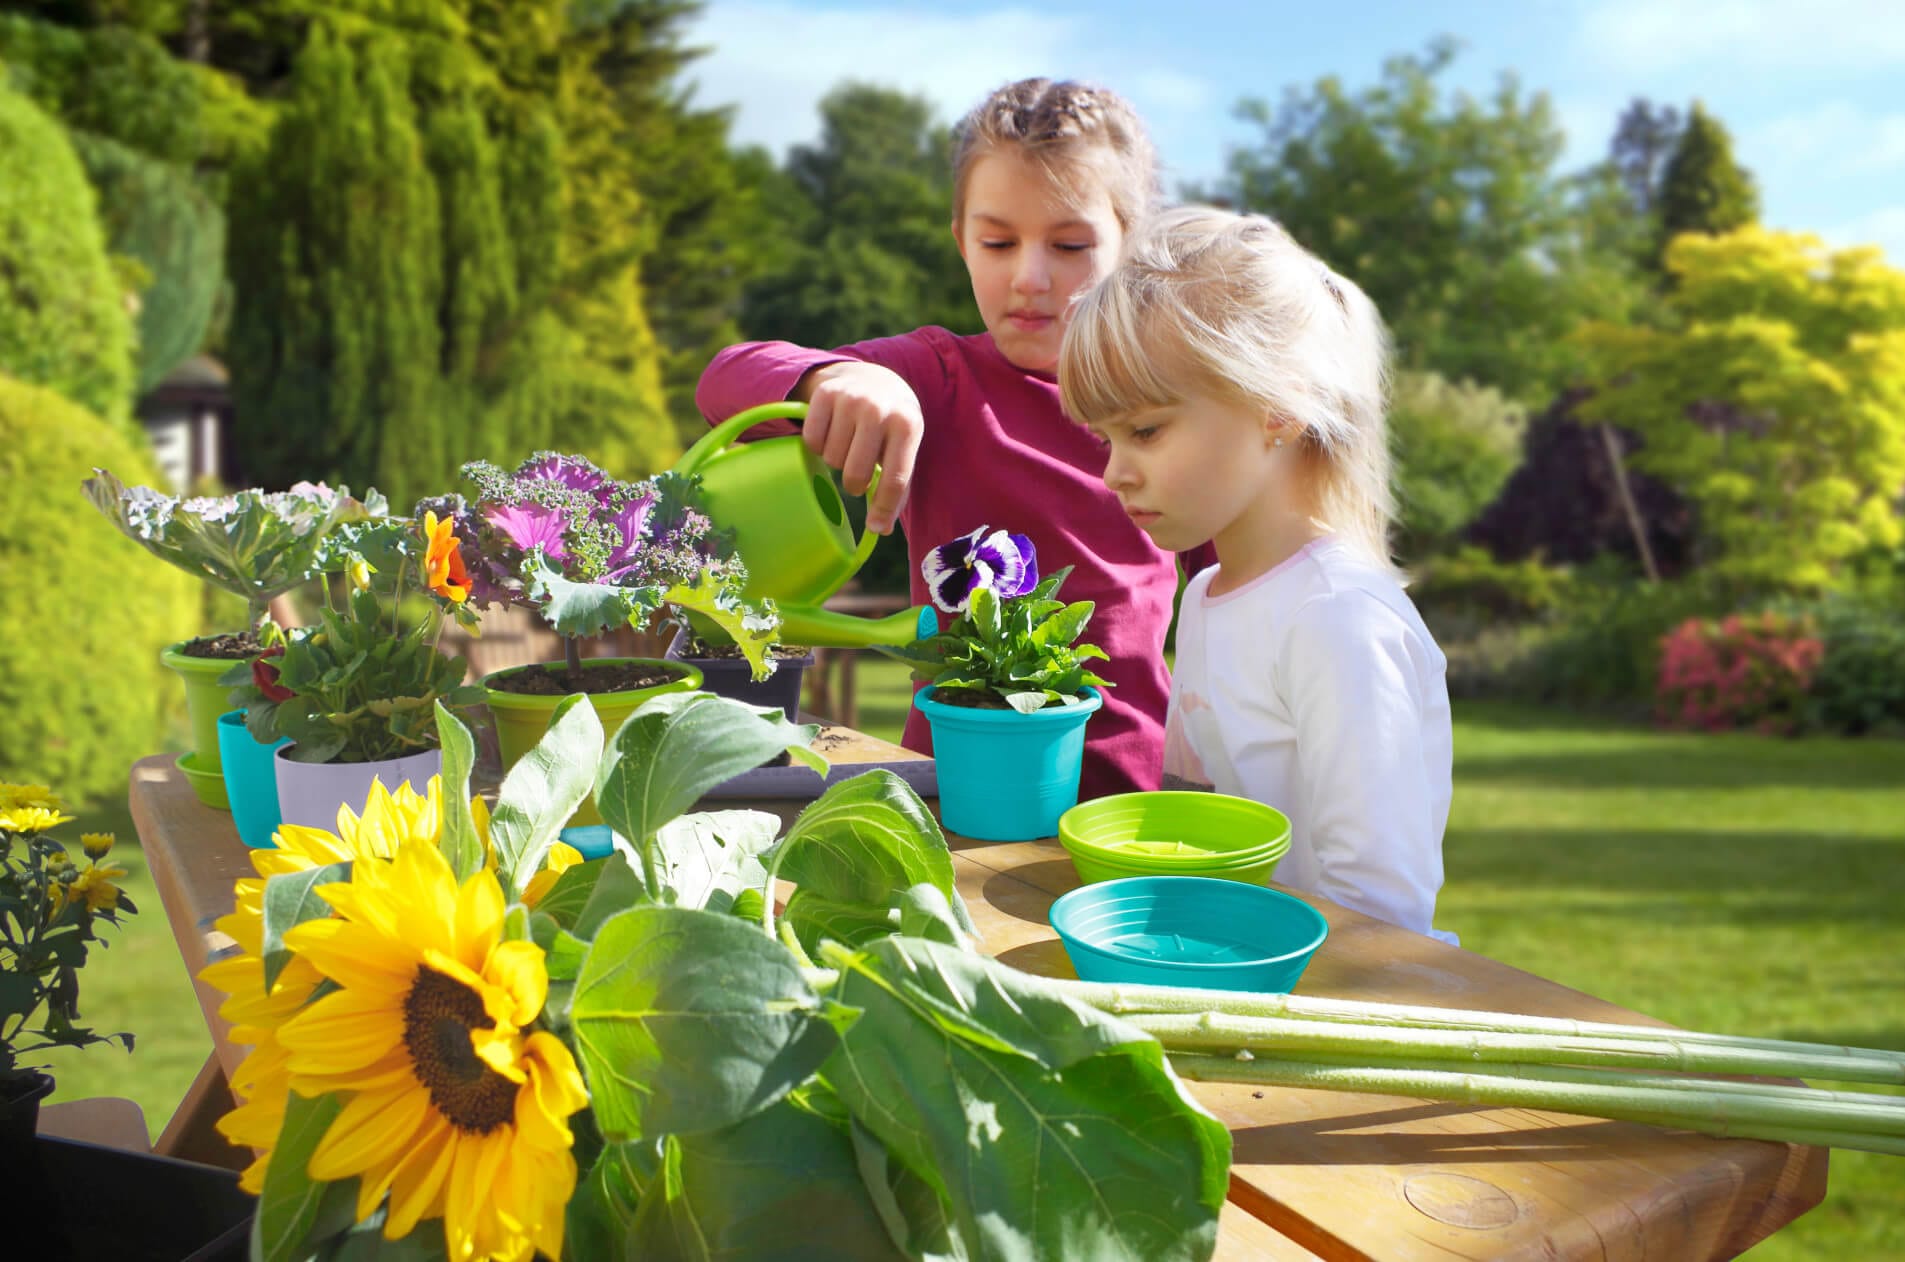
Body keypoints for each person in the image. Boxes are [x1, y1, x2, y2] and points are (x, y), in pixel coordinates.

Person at [696, 77, 1206, 801]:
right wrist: (837, 379)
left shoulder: (1180, 403)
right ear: (961, 242)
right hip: (952, 793)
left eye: (1068, 244)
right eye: (997, 241)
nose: (1029, 276)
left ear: (1130, 245)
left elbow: (1239, 589)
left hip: (1130, 798)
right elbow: (723, 379)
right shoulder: (936, 376)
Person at [1060, 205, 1456, 942]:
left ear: (1275, 407)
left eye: (1144, 430)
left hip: (1330, 1006)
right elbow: (1186, 812)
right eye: (1105, 438)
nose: (1114, 472)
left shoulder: (1338, 619)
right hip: (1229, 974)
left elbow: (1383, 915)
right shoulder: (1207, 597)